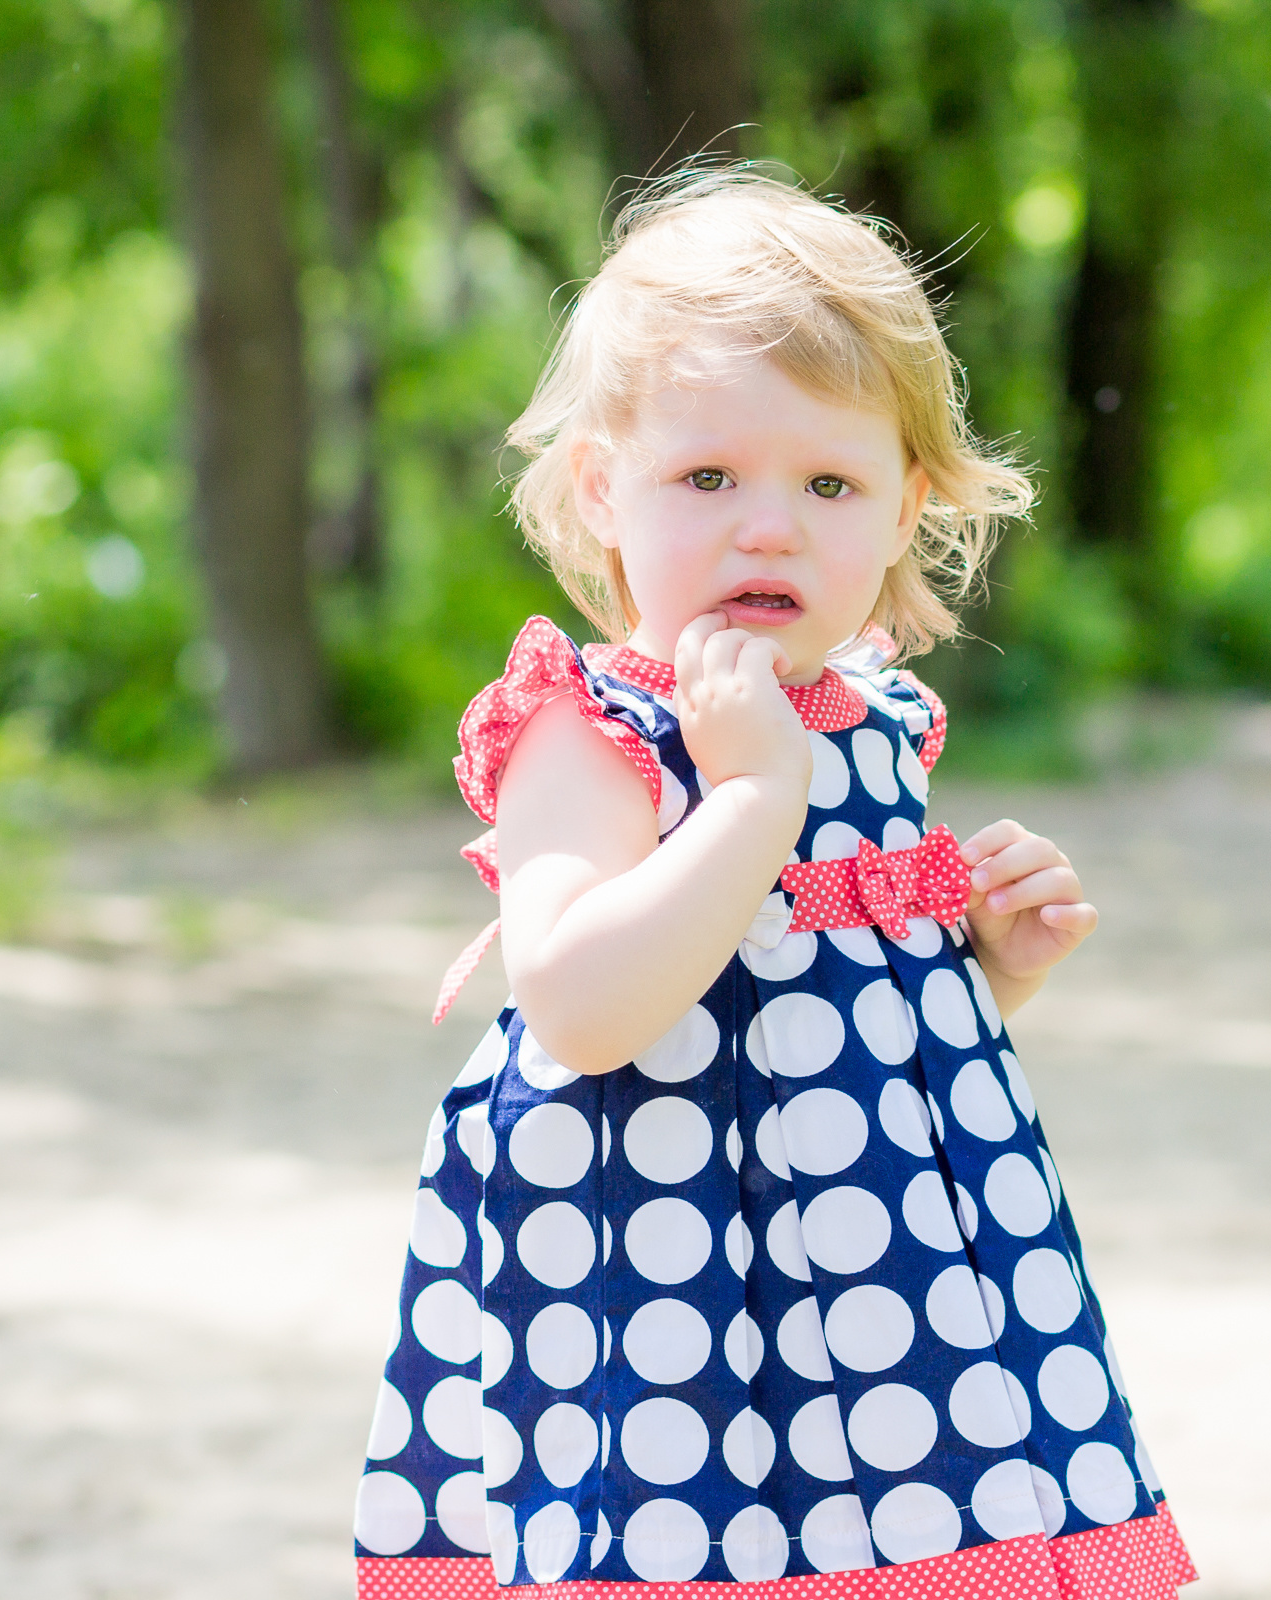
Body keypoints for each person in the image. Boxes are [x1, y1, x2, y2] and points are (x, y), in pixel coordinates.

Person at [355, 171, 1196, 1600]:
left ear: (903, 510)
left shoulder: (871, 720)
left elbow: (832, 987)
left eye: (828, 484)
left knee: (915, 1544)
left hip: (885, 1283)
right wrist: (744, 797)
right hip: (664, 1282)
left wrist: (991, 963)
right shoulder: (592, 728)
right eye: (707, 479)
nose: (769, 527)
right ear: (599, 488)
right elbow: (575, 1008)